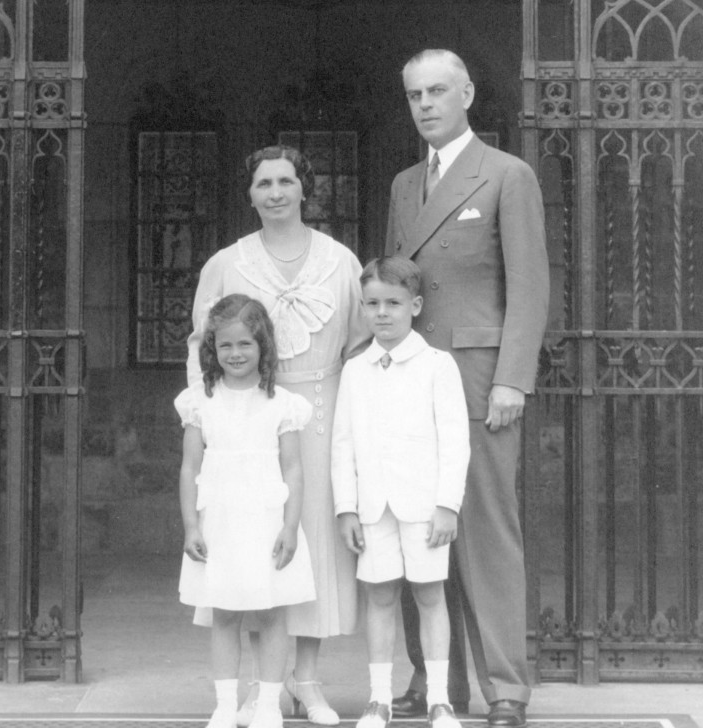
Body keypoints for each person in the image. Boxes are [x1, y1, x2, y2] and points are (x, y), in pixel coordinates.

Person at [386, 49, 550, 728]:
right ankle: (433, 679)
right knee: (414, 526)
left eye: (438, 92)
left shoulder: (507, 175)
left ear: (468, 95)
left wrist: (513, 378)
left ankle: (506, 686)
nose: (426, 104)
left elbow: (531, 285)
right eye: (415, 95)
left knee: (484, 528)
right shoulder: (402, 185)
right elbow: (395, 289)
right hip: (414, 377)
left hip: (480, 379)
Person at [186, 145, 370, 725]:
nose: (275, 193)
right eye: (263, 183)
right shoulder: (227, 263)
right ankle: (255, 689)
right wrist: (209, 418)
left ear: (303, 189)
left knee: (312, 542)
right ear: (250, 193)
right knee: (252, 545)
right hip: (248, 420)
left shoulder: (340, 260)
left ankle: (307, 681)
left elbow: (360, 346)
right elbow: (201, 345)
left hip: (319, 410)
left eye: (286, 181)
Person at [331, 256, 470, 728]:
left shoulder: (437, 365)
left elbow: (455, 441)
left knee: (430, 596)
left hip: (425, 506)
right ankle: (378, 699)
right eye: (372, 304)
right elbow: (343, 442)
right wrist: (346, 508)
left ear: (415, 305)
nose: (382, 313)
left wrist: (447, 505)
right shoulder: (355, 370)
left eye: (393, 303)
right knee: (381, 598)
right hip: (373, 506)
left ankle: (439, 698)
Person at [176, 294, 316, 728]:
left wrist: (291, 527)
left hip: (266, 519)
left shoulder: (282, 404)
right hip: (220, 519)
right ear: (213, 351)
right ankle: (224, 704)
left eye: (245, 345)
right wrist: (190, 525)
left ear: (263, 347)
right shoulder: (201, 402)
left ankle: (270, 704)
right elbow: (189, 467)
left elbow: (293, 468)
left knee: (272, 613)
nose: (235, 354)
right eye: (226, 347)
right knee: (225, 613)